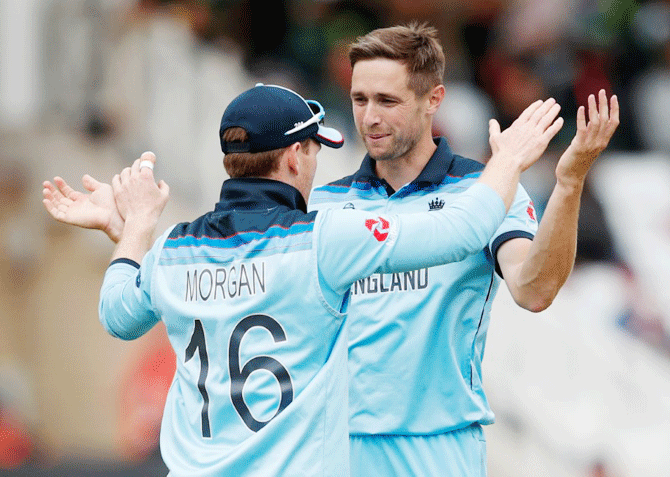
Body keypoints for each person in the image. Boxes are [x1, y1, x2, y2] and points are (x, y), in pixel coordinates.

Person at [43, 82, 563, 475]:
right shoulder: (323, 240)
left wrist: (133, 228)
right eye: (314, 150)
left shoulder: (175, 251)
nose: (315, 165)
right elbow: (462, 228)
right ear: (295, 155)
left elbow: (118, 313)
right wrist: (510, 159)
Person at [307, 24, 619, 476]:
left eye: (387, 101)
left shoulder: (486, 190)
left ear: (434, 99)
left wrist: (568, 183)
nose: (370, 117)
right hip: (338, 446)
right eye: (360, 100)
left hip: (440, 449)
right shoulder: (325, 203)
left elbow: (534, 289)